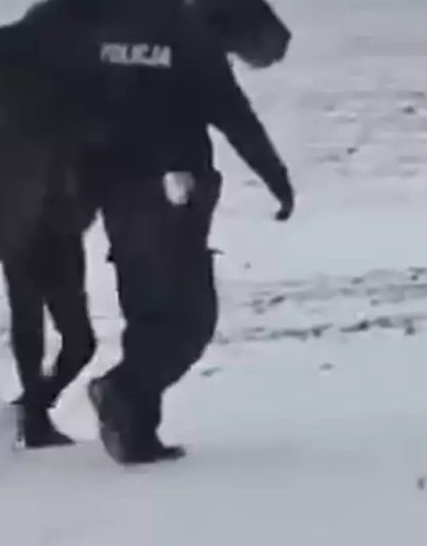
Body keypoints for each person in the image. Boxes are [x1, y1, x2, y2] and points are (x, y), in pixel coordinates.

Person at [84, 33, 294, 465]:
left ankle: (138, 434)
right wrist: (276, 178)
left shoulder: (107, 41)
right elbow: (237, 119)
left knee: (147, 316)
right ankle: (121, 391)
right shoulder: (189, 44)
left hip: (121, 197)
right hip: (172, 198)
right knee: (191, 321)